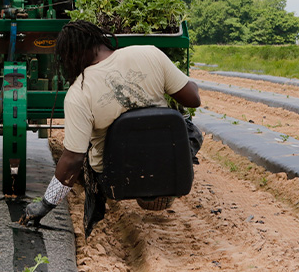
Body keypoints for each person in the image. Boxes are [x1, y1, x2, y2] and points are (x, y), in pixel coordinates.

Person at [20, 20, 203, 234]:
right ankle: (164, 181)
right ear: (100, 39)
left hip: (117, 178)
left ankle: (96, 205)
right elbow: (193, 99)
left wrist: (44, 205)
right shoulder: (149, 54)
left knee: (86, 153)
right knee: (186, 126)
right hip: (165, 161)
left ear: (70, 57)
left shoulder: (78, 93)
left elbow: (72, 160)